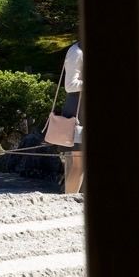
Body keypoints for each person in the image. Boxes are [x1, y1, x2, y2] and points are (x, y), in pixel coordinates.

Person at [59, 39, 85, 193]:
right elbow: (69, 86)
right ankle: (67, 203)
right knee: (78, 164)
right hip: (77, 113)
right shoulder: (76, 51)